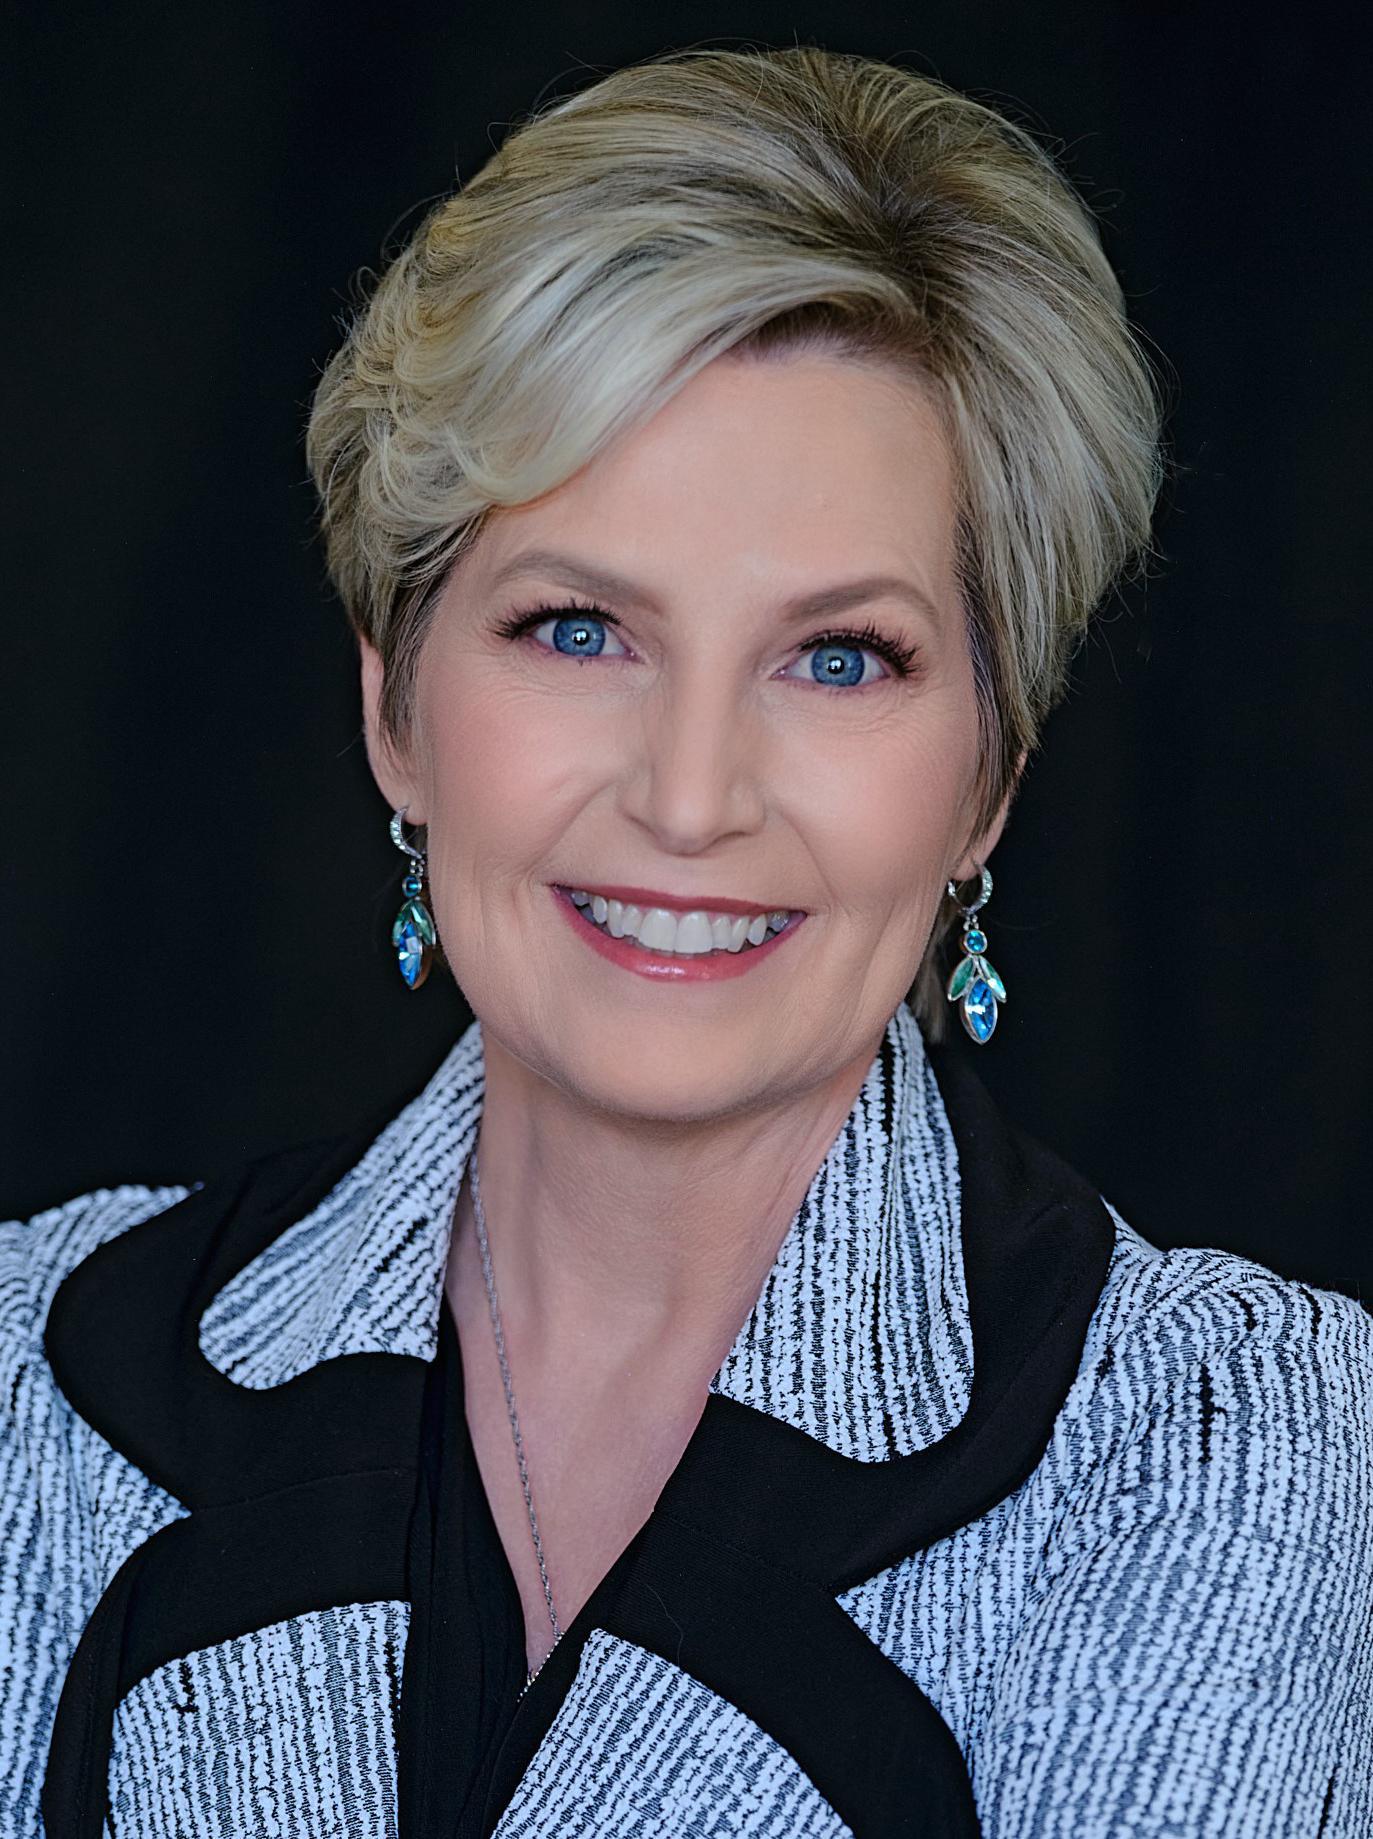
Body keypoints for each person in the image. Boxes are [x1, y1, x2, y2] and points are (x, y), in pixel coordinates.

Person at [3, 42, 1369, 1839]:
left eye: (837, 657)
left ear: (985, 787)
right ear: (396, 710)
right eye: (578, 629)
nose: (692, 793)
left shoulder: (1257, 1455)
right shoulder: (34, 1368)